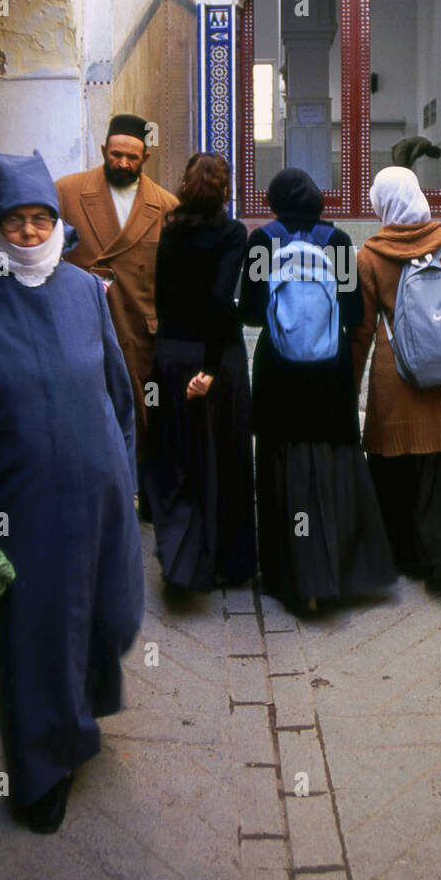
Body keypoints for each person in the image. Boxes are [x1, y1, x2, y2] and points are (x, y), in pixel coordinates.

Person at [0, 151, 143, 834]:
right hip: (17, 514)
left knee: (105, 618)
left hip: (98, 503)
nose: (27, 232)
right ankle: (39, 777)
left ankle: (78, 722)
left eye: (40, 218)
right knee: (32, 642)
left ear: (57, 225)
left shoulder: (83, 291)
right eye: (13, 220)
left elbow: (118, 393)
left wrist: (124, 478)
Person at [239, 167, 396, 613]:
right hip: (329, 371)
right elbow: (351, 309)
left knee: (281, 460)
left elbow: (251, 314)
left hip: (279, 372)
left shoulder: (262, 241)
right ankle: (334, 570)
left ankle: (291, 574)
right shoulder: (340, 241)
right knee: (331, 460)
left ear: (274, 200)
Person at [351, 167, 441, 581]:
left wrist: (350, 383)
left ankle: (403, 553)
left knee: (399, 460)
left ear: (384, 203)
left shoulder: (369, 256)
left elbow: (360, 331)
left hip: (398, 375)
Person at [142, 153, 256, 591]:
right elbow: (219, 298)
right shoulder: (232, 234)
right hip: (217, 358)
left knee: (181, 454)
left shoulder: (170, 233)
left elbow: (163, 298)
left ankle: (184, 558)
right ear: (224, 190)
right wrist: (208, 368)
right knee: (224, 455)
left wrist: (168, 360)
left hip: (173, 352)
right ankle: (231, 560)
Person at [56, 114, 178, 463]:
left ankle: (137, 495)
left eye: (132, 157)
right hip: (83, 325)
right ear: (103, 150)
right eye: (115, 154)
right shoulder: (67, 192)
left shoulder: (167, 207)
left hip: (140, 333)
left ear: (146, 159)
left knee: (142, 414)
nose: (122, 163)